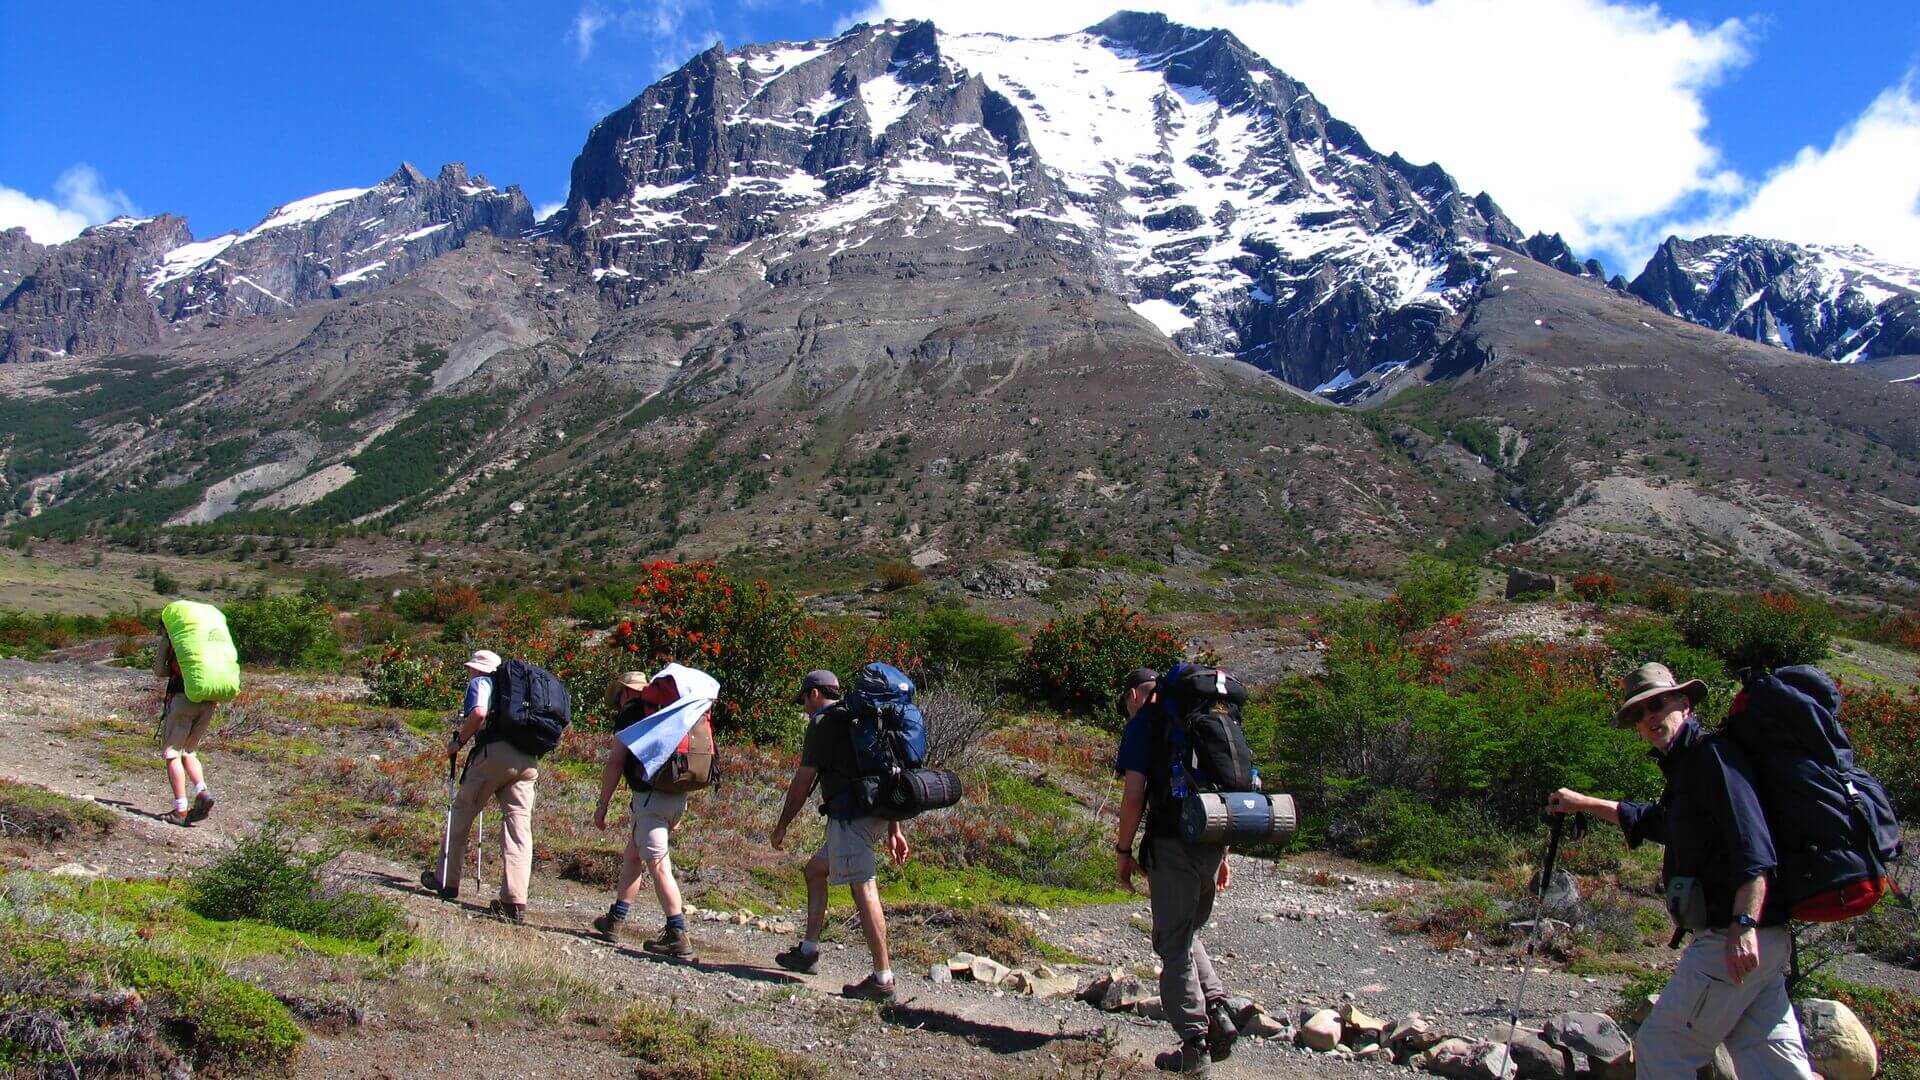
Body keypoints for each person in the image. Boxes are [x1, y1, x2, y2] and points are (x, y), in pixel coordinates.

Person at [1548, 663, 1814, 1079]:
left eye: (1658, 704)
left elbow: (1753, 846)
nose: (1650, 717)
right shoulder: (1690, 766)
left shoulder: (1711, 758)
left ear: (1684, 704)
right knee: (1770, 1061)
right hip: (1767, 938)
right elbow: (1658, 822)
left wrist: (1742, 924)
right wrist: (1583, 803)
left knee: (1662, 1050)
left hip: (1734, 936)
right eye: (1639, 713)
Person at [1112, 667, 1239, 1076]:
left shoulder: (1145, 724)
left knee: (1173, 943)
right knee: (1187, 932)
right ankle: (1218, 1011)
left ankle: (1193, 1045)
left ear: (1133, 695)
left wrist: (1124, 851)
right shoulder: (1205, 718)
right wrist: (1225, 856)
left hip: (1172, 842)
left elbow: (1134, 797)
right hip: (1213, 836)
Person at [769, 669, 911, 1001]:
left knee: (864, 888)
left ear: (814, 694)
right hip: (877, 811)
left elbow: (803, 781)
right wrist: (894, 826)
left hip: (851, 817)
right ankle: (808, 951)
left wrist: (782, 825)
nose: (804, 706)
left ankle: (882, 979)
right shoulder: (859, 718)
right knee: (816, 870)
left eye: (804, 699)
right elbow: (888, 769)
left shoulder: (823, 723)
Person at [421, 648, 541, 924]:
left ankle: (446, 880)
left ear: (479, 669)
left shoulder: (481, 683)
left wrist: (459, 742)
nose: (470, 672)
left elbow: (478, 713)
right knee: (518, 827)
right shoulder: (520, 692)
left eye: (472, 668)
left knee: (462, 811)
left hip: (494, 756)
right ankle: (514, 901)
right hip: (527, 760)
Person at [591, 670, 696, 959]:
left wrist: (602, 805)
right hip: (676, 796)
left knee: (658, 864)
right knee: (633, 856)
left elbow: (615, 763)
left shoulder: (631, 713)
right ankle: (616, 918)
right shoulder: (670, 710)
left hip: (650, 798)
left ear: (625, 692)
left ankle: (678, 933)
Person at [155, 628, 217, 827]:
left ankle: (180, 810)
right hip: (209, 700)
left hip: (183, 699)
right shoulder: (206, 639)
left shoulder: (174, 640)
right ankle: (202, 791)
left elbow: (159, 671)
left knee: (172, 754)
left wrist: (165, 645)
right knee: (189, 751)